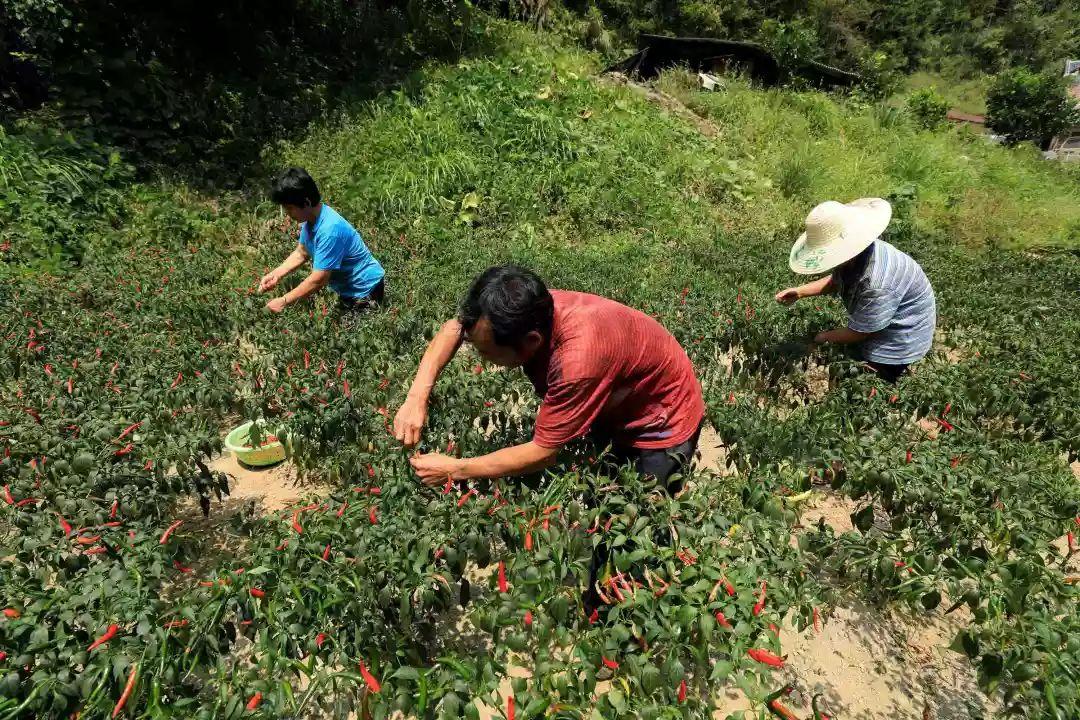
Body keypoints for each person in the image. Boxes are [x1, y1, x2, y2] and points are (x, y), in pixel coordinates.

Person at [394, 265, 706, 491]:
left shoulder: (578, 362)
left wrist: (456, 470)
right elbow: (454, 328)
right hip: (617, 403)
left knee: (639, 528)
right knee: (603, 496)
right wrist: (416, 398)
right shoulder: (524, 307)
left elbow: (544, 452)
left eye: (486, 352)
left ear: (531, 342)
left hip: (661, 422)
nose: (480, 357)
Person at [775, 198, 936, 383]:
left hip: (900, 339)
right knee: (848, 371)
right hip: (881, 319)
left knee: (866, 386)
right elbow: (837, 280)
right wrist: (800, 291)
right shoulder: (858, 253)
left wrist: (822, 337)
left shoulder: (877, 283)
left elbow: (864, 331)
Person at [260, 167, 385, 313]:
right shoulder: (311, 220)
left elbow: (319, 280)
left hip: (366, 289)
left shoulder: (330, 230)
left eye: (289, 208)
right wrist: (276, 274)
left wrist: (284, 301)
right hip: (348, 289)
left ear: (306, 202)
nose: (287, 214)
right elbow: (301, 253)